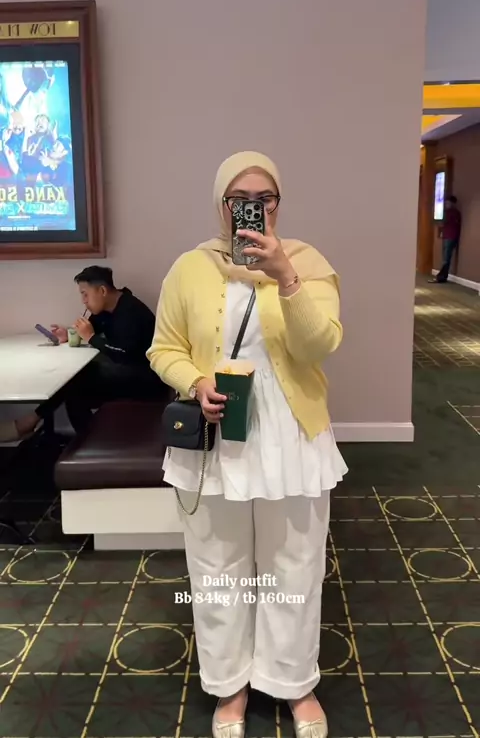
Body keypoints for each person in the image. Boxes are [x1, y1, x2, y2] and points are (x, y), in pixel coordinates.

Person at [147, 151, 347, 738]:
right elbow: (164, 348)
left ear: (278, 204)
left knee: (295, 566)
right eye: (239, 199)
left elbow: (319, 345)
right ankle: (229, 684)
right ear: (222, 205)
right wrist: (196, 381)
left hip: (291, 436)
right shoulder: (189, 268)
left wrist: (286, 277)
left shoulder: (307, 263)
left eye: (263, 198)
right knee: (218, 566)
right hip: (218, 434)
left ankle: (294, 681)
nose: (251, 209)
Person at [51, 266, 167, 433]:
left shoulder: (130, 311)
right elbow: (91, 331)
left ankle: (88, 439)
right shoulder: (105, 310)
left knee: (75, 388)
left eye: (85, 294)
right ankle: (38, 421)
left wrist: (91, 337)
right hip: (125, 370)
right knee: (73, 379)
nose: (83, 301)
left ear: (102, 291)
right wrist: (69, 334)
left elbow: (124, 353)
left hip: (146, 379)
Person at [431, 195, 462, 284]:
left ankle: (441, 277)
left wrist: (438, 222)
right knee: (445, 258)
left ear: (452, 203)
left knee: (446, 258)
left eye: (448, 203)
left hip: (449, 237)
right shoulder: (456, 213)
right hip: (449, 236)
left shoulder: (451, 213)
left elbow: (442, 223)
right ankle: (442, 276)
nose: (446, 204)